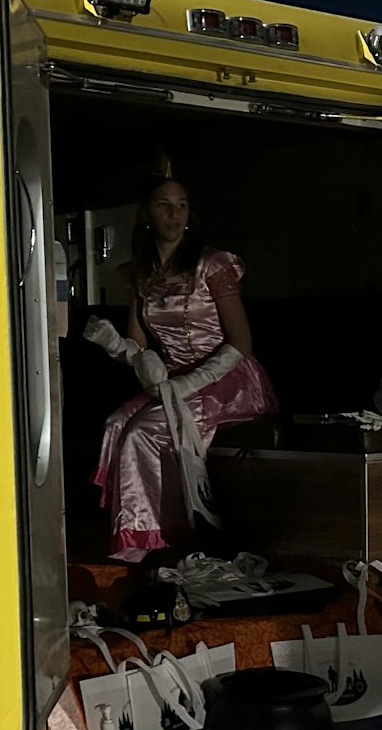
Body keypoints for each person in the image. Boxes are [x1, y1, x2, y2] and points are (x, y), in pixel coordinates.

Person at [83, 177, 278, 562]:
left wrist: (190, 381)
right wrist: (113, 344)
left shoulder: (213, 265)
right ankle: (147, 533)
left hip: (226, 378)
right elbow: (139, 347)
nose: (175, 214)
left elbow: (241, 342)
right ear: (145, 214)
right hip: (172, 380)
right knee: (117, 422)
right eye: (164, 205)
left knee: (144, 431)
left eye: (182, 205)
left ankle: (160, 540)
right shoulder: (140, 274)